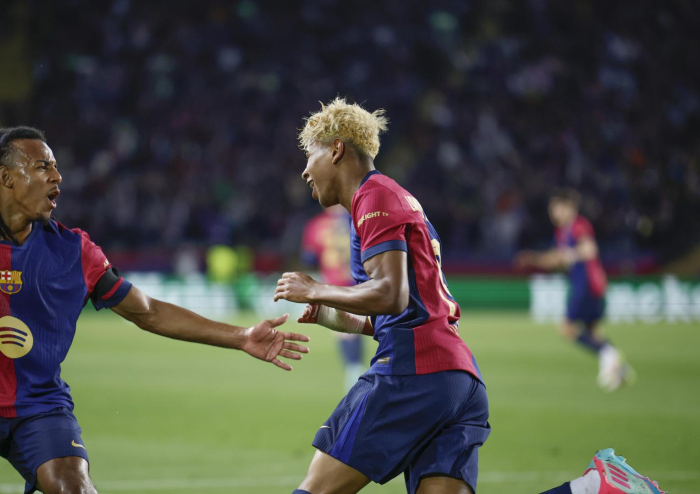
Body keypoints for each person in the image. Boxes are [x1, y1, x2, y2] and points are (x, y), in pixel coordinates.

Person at [0, 127, 310, 494]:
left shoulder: (74, 251)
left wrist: (239, 336)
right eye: (42, 167)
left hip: (41, 405)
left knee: (76, 488)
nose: (57, 177)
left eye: (57, 167)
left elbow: (147, 310)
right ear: (6, 178)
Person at [274, 99, 664, 494]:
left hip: (412, 374)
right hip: (456, 380)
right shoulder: (394, 200)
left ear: (337, 149)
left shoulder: (374, 198)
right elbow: (403, 310)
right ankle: (591, 489)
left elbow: (391, 295)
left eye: (311, 156)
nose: (305, 170)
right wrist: (329, 313)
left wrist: (315, 287)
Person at [515, 189, 633, 391]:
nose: (554, 214)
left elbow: (590, 250)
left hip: (586, 284)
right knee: (593, 333)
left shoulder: (579, 225)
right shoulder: (562, 232)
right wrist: (533, 259)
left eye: (557, 209)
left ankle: (610, 355)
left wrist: (570, 254)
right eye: (552, 210)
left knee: (566, 328)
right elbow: (556, 259)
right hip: (587, 284)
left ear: (569, 207)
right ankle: (619, 370)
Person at [301, 205, 365, 391]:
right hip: (358, 281)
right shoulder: (357, 220)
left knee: (342, 329)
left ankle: (353, 370)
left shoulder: (316, 224)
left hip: (333, 284)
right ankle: (357, 369)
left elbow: (309, 258)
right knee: (357, 325)